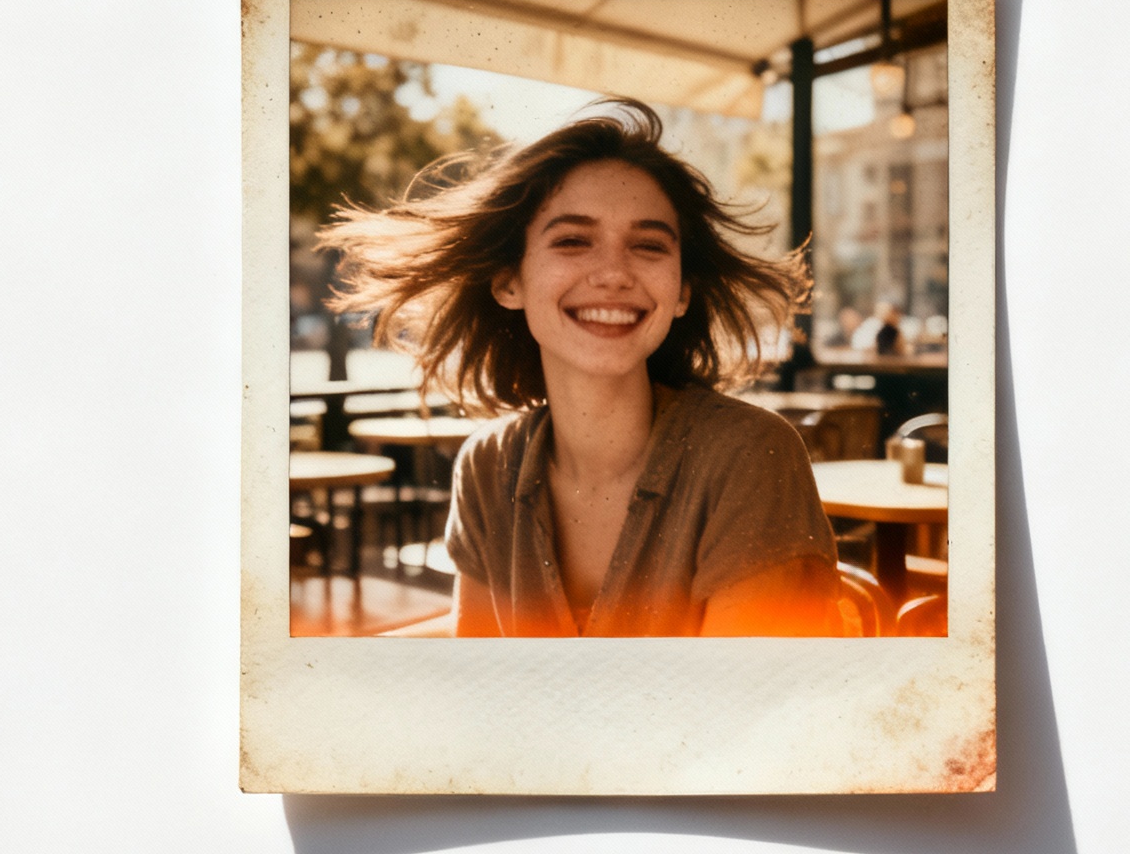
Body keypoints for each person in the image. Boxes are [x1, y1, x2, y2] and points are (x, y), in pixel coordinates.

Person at [318, 99, 840, 636]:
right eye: (572, 240)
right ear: (508, 282)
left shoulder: (749, 456)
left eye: (648, 245)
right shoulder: (487, 467)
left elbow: (752, 714)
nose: (614, 273)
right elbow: (479, 677)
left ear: (682, 291)